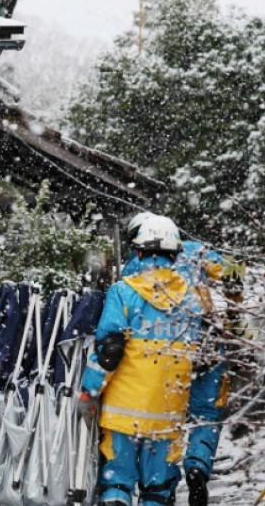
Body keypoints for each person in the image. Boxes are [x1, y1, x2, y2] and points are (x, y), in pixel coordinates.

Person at [79, 215, 229, 506]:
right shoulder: (194, 303)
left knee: (116, 485)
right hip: (166, 419)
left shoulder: (123, 292)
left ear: (137, 253)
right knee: (157, 492)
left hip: (122, 416)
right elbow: (205, 364)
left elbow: (109, 352)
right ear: (175, 255)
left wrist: (89, 391)